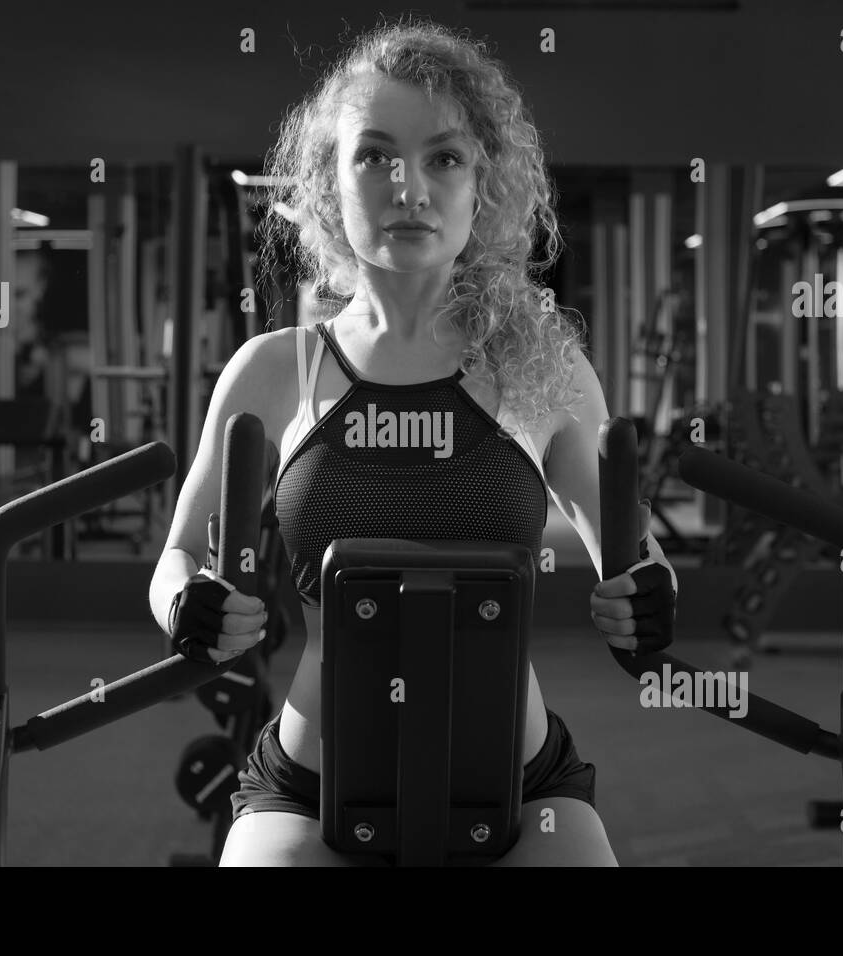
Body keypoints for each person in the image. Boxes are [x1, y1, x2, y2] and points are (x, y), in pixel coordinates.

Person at [149, 17, 678, 866]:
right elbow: (174, 560)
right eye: (374, 155)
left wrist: (645, 596)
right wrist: (188, 605)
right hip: (311, 791)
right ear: (327, 184)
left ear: (483, 185)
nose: (409, 187)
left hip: (517, 791)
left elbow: (637, 557)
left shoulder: (543, 368)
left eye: (444, 157)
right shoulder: (274, 370)